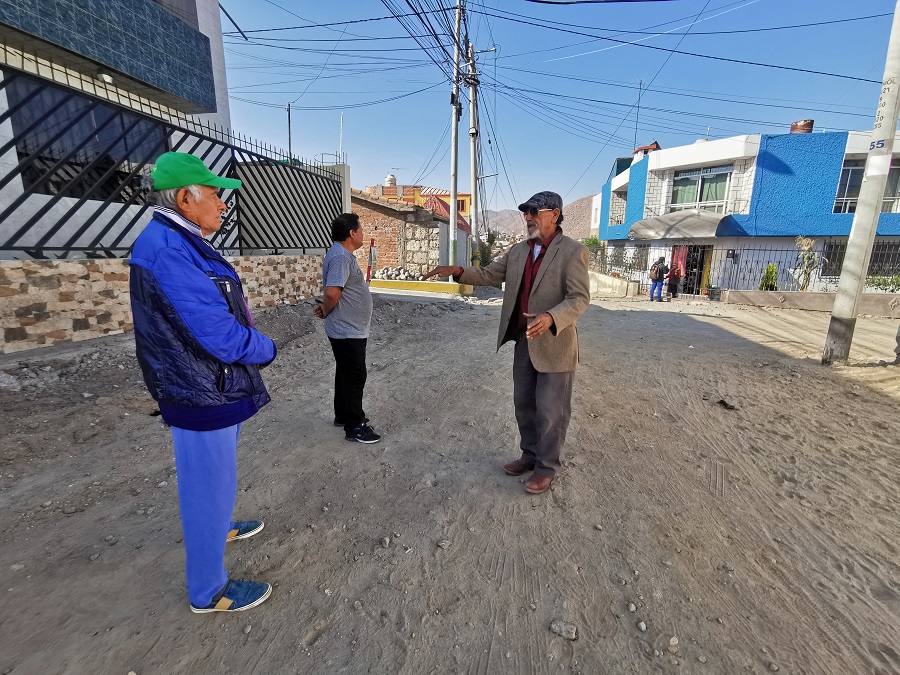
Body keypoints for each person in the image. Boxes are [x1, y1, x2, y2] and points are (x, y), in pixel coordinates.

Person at [130, 152, 277, 613]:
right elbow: (216, 333)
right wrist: (264, 347)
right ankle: (209, 592)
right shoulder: (169, 249)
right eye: (215, 195)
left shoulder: (180, 239)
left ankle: (221, 526)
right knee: (205, 485)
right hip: (198, 389)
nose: (222, 204)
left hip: (209, 384)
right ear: (185, 199)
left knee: (215, 479)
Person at [424, 191, 589, 495]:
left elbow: (579, 298)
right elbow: (488, 274)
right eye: (525, 212)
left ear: (554, 214)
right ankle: (529, 454)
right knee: (523, 403)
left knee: (551, 410)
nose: (527, 217)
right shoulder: (518, 251)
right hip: (525, 340)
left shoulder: (572, 252)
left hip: (555, 343)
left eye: (534, 212)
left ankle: (546, 467)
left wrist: (551, 317)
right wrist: (458, 271)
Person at [314, 213, 381, 444]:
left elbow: (335, 292)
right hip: (346, 329)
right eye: (360, 229)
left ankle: (342, 415)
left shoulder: (342, 255)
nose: (362, 233)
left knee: (345, 371)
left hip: (349, 328)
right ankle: (355, 426)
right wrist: (327, 308)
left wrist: (325, 308)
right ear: (352, 233)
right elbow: (333, 292)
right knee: (355, 374)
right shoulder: (341, 256)